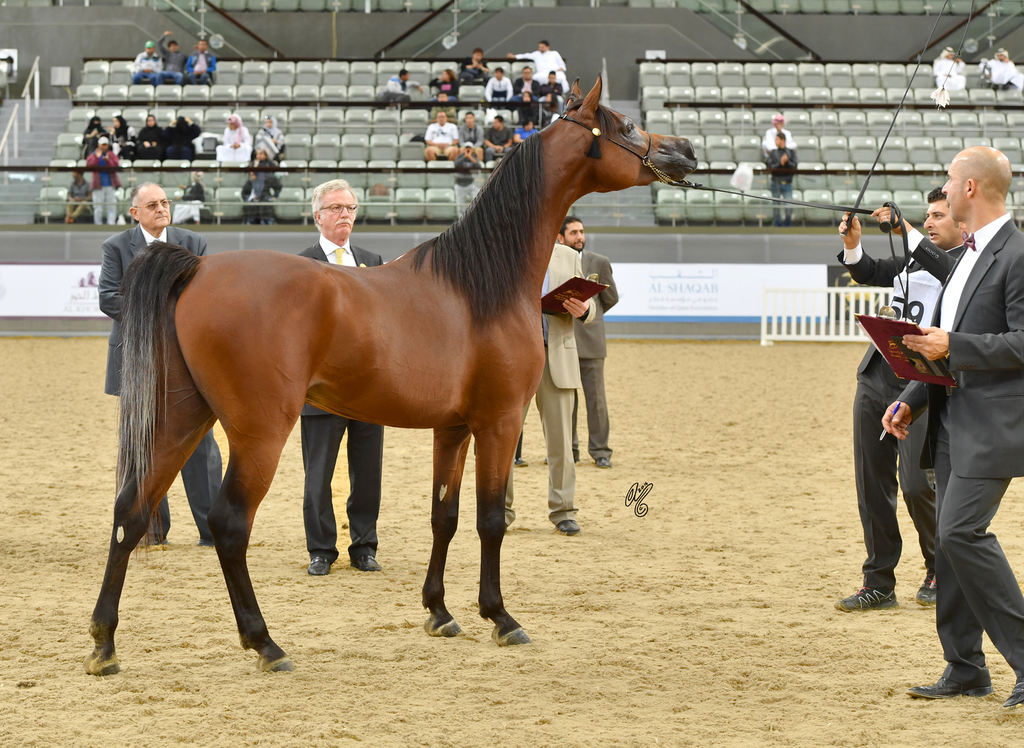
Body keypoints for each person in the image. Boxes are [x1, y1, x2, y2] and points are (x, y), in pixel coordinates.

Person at [882, 146, 1024, 709]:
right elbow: (938, 347)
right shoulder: (964, 256)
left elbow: (1020, 341)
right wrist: (911, 399)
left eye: (948, 179)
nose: (942, 187)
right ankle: (965, 667)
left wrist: (954, 344)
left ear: (969, 188)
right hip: (949, 416)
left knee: (962, 533)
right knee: (949, 539)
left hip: (993, 422)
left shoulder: (1017, 254)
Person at [834, 188, 965, 613]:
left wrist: (903, 226)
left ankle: (938, 567)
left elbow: (940, 264)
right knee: (871, 482)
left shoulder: (966, 265)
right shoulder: (913, 257)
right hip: (877, 373)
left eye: (938, 216)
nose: (929, 222)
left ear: (962, 222)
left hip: (922, 382)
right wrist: (853, 246)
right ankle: (878, 581)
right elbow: (870, 271)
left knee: (915, 484)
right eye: (926, 216)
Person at [98, 182, 223, 547]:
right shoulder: (116, 246)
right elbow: (108, 297)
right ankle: (150, 530)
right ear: (135, 212)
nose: (161, 209)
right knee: (142, 443)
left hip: (188, 359)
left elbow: (206, 296)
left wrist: (175, 323)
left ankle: (212, 531)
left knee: (200, 444)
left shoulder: (193, 242)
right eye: (151, 204)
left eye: (165, 202)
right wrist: (164, 319)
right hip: (137, 359)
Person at [298, 178, 386, 576]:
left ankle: (364, 546)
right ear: (318, 216)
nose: (344, 214)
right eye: (336, 208)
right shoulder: (301, 265)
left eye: (350, 208)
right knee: (318, 475)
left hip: (369, 386)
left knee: (367, 474)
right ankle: (321, 549)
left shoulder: (372, 259)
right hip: (321, 388)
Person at [505, 242, 593, 536]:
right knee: (502, 441)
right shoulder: (507, 250)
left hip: (557, 359)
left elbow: (590, 307)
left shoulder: (569, 256)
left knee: (561, 443)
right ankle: (498, 510)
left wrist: (584, 310)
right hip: (512, 361)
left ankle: (564, 510)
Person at [560, 216, 618, 469]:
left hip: (592, 344)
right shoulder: (554, 261)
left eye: (581, 232)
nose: (579, 237)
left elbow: (611, 297)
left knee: (596, 402)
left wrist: (590, 317)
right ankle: (570, 451)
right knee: (566, 403)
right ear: (561, 237)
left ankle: (600, 451)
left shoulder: (599, 262)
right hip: (563, 343)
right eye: (573, 233)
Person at [85, 137, 120, 226]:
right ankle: (98, 224)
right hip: (98, 185)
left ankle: (111, 223)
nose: (104, 147)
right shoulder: (93, 155)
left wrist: (108, 161)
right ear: (98, 145)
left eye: (105, 145)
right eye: (102, 145)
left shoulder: (111, 155)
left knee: (111, 205)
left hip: (110, 184)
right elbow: (89, 165)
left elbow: (116, 164)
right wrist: (97, 158)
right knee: (98, 206)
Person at [766, 132, 798, 227]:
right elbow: (770, 167)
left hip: (787, 182)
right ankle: (777, 225)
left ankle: (788, 224)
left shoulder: (791, 152)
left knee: (789, 205)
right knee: (776, 205)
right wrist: (780, 163)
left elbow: (794, 166)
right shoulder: (773, 153)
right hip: (775, 181)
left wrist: (786, 162)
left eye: (777, 139)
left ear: (782, 140)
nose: (775, 141)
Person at [241, 154, 282, 225]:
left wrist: (274, 196)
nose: (251, 173)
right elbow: (244, 193)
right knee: (250, 206)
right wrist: (249, 198)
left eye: (253, 172)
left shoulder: (268, 178)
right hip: (252, 206)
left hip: (264, 202)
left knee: (265, 207)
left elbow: (278, 187)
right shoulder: (249, 182)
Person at [453, 144, 483, 215]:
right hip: (460, 185)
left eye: (470, 148)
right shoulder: (459, 157)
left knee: (478, 198)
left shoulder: (474, 157)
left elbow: (479, 166)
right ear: (464, 149)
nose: (468, 150)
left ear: (472, 150)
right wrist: (465, 156)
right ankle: (461, 220)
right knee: (460, 206)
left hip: (470, 184)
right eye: (466, 148)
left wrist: (470, 157)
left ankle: (475, 216)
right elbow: (456, 164)